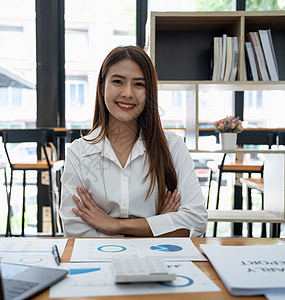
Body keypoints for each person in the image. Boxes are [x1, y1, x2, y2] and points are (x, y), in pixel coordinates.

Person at [59, 45, 207, 237]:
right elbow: (75, 231)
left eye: (139, 84)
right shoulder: (79, 152)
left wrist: (113, 225)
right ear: (103, 87)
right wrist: (155, 227)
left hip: (161, 262)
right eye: (118, 81)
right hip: (100, 264)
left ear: (150, 92)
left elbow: (196, 222)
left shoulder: (173, 147)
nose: (128, 93)